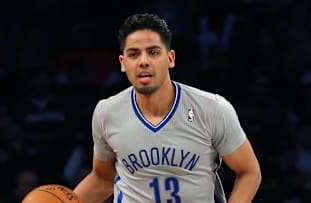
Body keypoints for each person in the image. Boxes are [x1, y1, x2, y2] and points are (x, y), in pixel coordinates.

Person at [73, 13, 261, 203]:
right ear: (123, 63)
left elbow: (249, 172)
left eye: (153, 52)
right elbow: (103, 178)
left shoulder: (212, 108)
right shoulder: (106, 112)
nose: (143, 61)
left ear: (170, 58)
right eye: (134, 54)